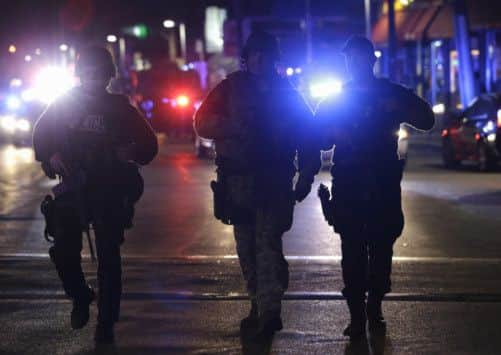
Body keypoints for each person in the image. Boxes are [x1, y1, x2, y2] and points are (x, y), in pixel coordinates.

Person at [194, 31, 319, 338]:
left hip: (273, 181)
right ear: (247, 59)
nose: (261, 60)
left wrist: (305, 175)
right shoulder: (229, 90)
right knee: (247, 248)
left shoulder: (287, 93)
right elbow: (202, 123)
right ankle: (258, 303)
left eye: (267, 55)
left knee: (267, 243)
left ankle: (269, 310)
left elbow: (308, 135)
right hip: (238, 183)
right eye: (256, 55)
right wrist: (234, 127)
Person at [33, 46, 158, 344]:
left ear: (108, 76)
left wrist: (132, 152)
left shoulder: (121, 109)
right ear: (79, 75)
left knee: (109, 258)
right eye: (87, 73)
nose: (92, 79)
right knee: (63, 248)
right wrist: (51, 156)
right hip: (74, 187)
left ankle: (106, 322)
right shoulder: (62, 106)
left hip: (109, 188)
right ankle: (79, 294)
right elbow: (41, 137)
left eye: (98, 73)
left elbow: (149, 146)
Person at [315, 36, 435, 339]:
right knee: (353, 253)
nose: (353, 64)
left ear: (370, 61)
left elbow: (427, 119)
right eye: (350, 59)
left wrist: (398, 105)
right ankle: (357, 315)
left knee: (381, 250)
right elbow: (320, 138)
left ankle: (374, 307)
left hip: (381, 183)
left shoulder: (389, 93)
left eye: (357, 58)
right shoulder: (338, 99)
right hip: (351, 185)